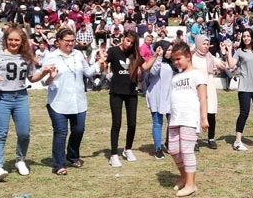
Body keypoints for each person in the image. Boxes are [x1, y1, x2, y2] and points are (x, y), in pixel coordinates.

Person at [0, 24, 47, 180]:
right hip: (2, 98)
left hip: (21, 96)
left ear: (22, 41)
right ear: (5, 40)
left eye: (17, 40)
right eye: (11, 39)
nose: (14, 43)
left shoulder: (26, 57)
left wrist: (44, 73)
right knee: (0, 133)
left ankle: (20, 159)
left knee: (24, 133)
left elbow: (32, 77)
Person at [41, 28, 105, 175]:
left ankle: (72, 155)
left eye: (72, 40)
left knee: (78, 130)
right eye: (67, 41)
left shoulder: (78, 54)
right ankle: (58, 164)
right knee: (61, 132)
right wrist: (51, 76)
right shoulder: (52, 57)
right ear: (58, 42)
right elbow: (44, 82)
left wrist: (99, 63)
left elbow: (88, 72)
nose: (70, 43)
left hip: (78, 101)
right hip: (58, 101)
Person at [167, 42, 209, 197]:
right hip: (175, 118)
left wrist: (204, 118)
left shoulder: (197, 74)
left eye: (179, 59)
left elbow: (203, 97)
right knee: (173, 150)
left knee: (186, 150)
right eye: (174, 60)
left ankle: (191, 184)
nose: (176, 62)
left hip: (190, 119)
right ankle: (184, 177)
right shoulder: (175, 77)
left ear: (188, 57)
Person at [105, 30, 142, 166]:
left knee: (132, 123)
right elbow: (104, 64)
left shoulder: (135, 54)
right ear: (123, 38)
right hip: (116, 92)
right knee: (117, 123)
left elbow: (145, 67)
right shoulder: (113, 51)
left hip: (132, 92)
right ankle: (114, 154)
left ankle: (128, 149)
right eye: (128, 40)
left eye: (132, 43)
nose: (129, 44)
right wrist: (102, 60)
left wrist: (155, 56)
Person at [192, 35, 235, 150]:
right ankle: (194, 139)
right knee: (196, 114)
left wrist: (224, 53)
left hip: (209, 87)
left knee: (211, 113)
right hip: (196, 88)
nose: (206, 46)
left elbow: (223, 65)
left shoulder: (210, 57)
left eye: (207, 44)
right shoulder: (192, 57)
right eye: (203, 44)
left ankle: (211, 138)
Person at [141, 40, 173, 159]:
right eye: (168, 50)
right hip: (156, 96)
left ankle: (169, 143)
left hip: (169, 96)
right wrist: (158, 57)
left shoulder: (172, 63)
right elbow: (153, 72)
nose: (170, 52)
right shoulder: (156, 61)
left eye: (171, 50)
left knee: (172, 122)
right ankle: (158, 148)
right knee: (158, 122)